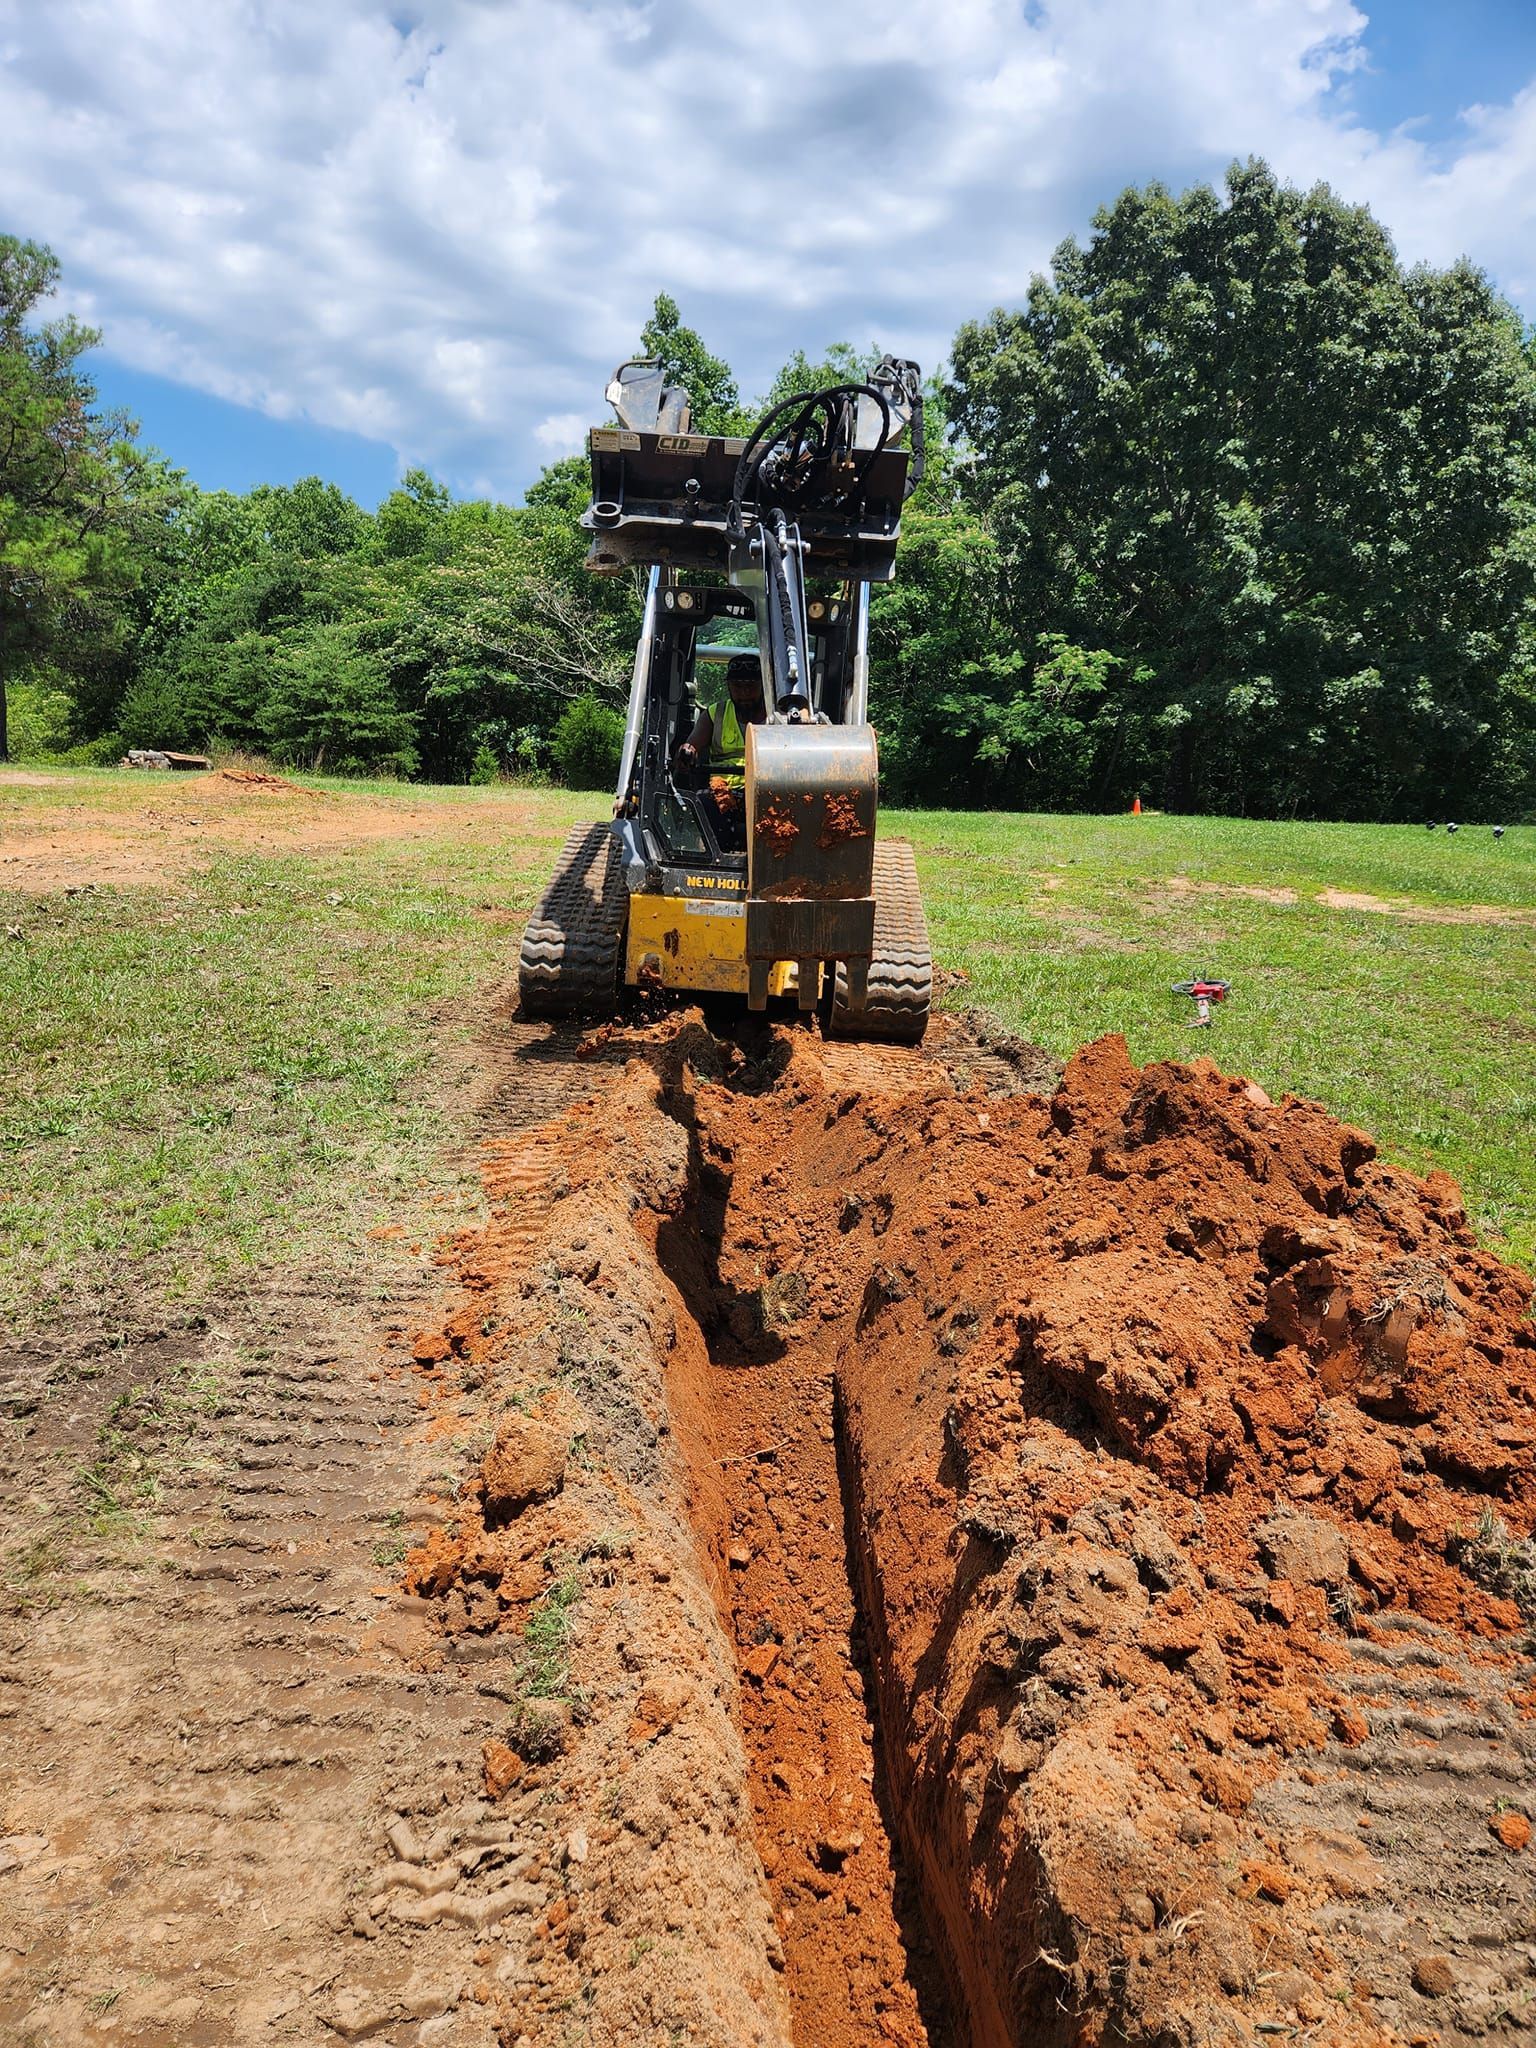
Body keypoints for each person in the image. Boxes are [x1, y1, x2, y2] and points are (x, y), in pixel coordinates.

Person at [671, 654, 768, 847]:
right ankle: (717, 853)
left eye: (751, 686)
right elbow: (692, 744)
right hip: (722, 792)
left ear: (764, 686)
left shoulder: (777, 717)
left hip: (766, 789)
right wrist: (687, 751)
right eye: (738, 687)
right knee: (704, 802)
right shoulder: (716, 714)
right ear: (729, 687)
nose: (744, 693)